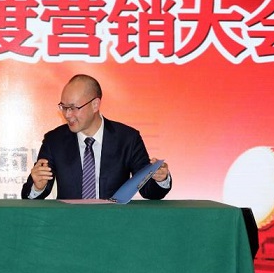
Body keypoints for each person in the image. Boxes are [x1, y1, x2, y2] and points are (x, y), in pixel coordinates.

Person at [22, 74, 171, 200]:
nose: (67, 114)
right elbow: (30, 194)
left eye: (73, 108)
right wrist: (37, 186)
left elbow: (149, 191)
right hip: (69, 222)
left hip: (114, 222)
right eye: (64, 107)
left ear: (95, 104)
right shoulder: (54, 141)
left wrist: (161, 179)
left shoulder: (127, 139)